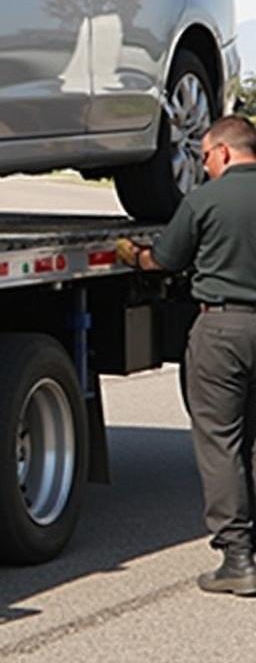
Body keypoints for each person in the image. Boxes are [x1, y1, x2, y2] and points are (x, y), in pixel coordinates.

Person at [116, 115, 256, 594]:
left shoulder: (205, 200)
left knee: (221, 440)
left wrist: (134, 256)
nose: (203, 166)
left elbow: (166, 260)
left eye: (204, 158)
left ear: (223, 152)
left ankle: (239, 558)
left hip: (222, 329)